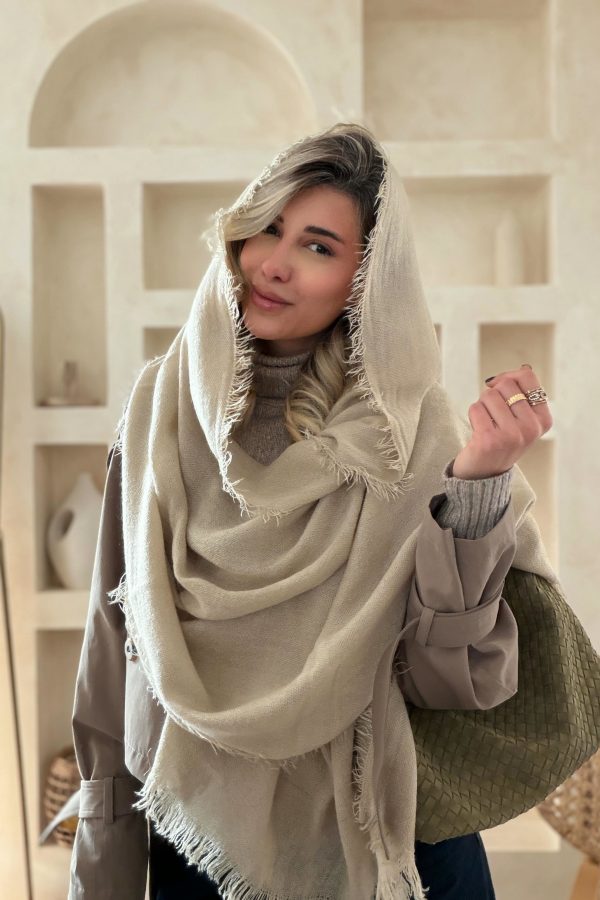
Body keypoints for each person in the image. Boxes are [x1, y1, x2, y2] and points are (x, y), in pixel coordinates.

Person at [68, 123, 555, 900]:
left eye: (319, 246)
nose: (274, 263)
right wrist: (103, 863)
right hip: (203, 837)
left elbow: (450, 685)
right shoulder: (161, 409)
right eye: (267, 227)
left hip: (383, 840)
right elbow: (112, 645)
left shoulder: (413, 434)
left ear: (365, 280)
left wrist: (477, 491)